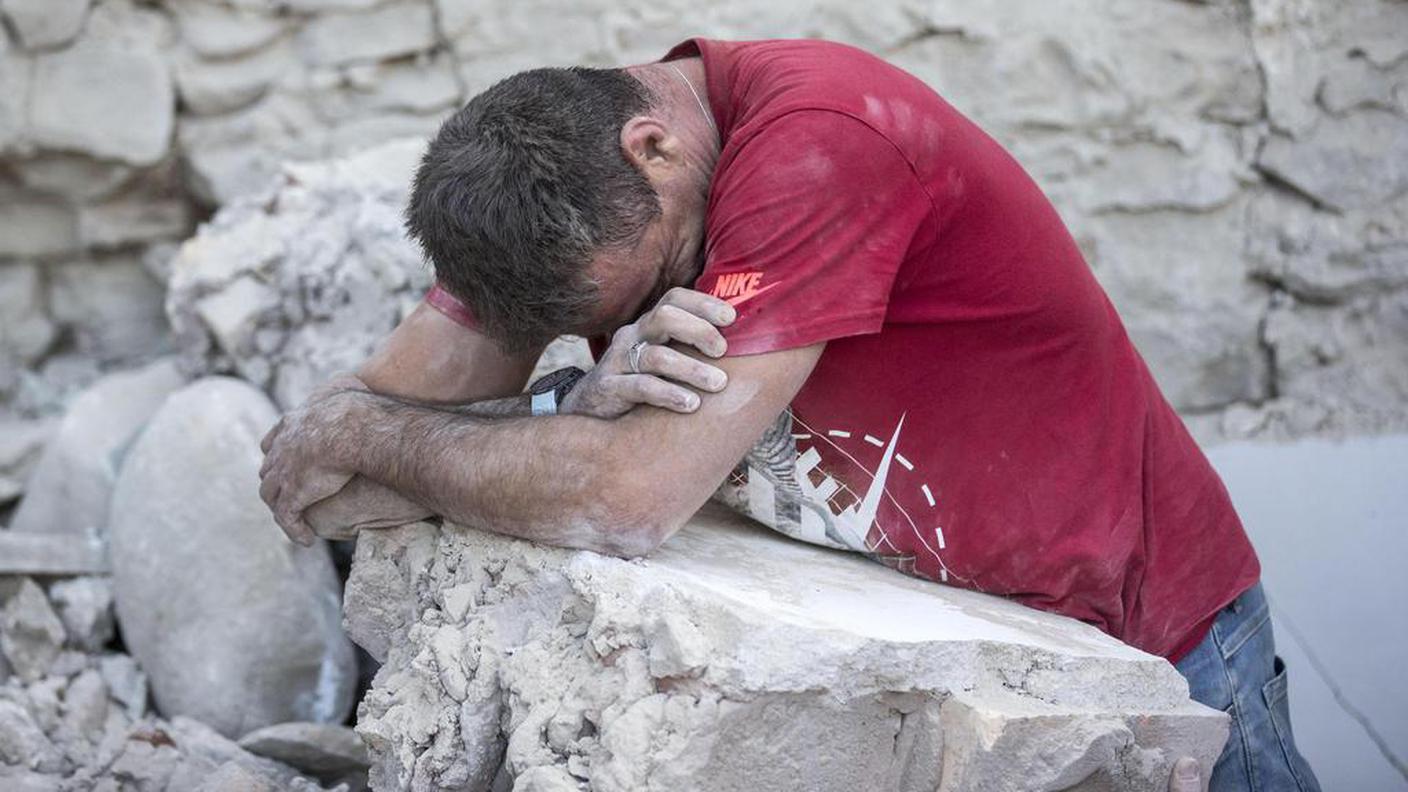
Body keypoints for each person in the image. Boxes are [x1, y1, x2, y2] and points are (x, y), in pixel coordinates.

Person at [258, 38, 1319, 791]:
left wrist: (388, 437)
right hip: (943, 635)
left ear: (653, 149)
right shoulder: (545, 193)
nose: (638, 318)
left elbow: (626, 497)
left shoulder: (824, 142)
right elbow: (330, 470)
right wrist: (565, 401)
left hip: (1143, 636)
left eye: (652, 280)